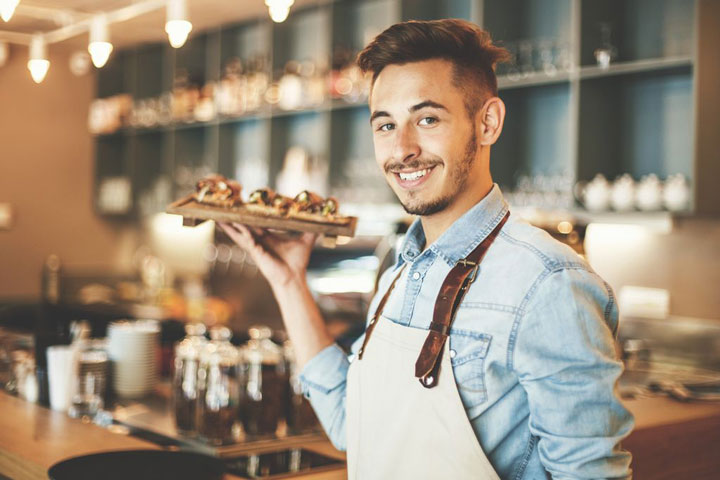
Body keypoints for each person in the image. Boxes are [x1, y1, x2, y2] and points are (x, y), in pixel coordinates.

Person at [220, 18, 633, 480]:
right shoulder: (401, 270)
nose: (402, 149)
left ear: (487, 123)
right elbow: (352, 426)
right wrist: (288, 279)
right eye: (385, 125)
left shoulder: (549, 284)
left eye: (427, 119)